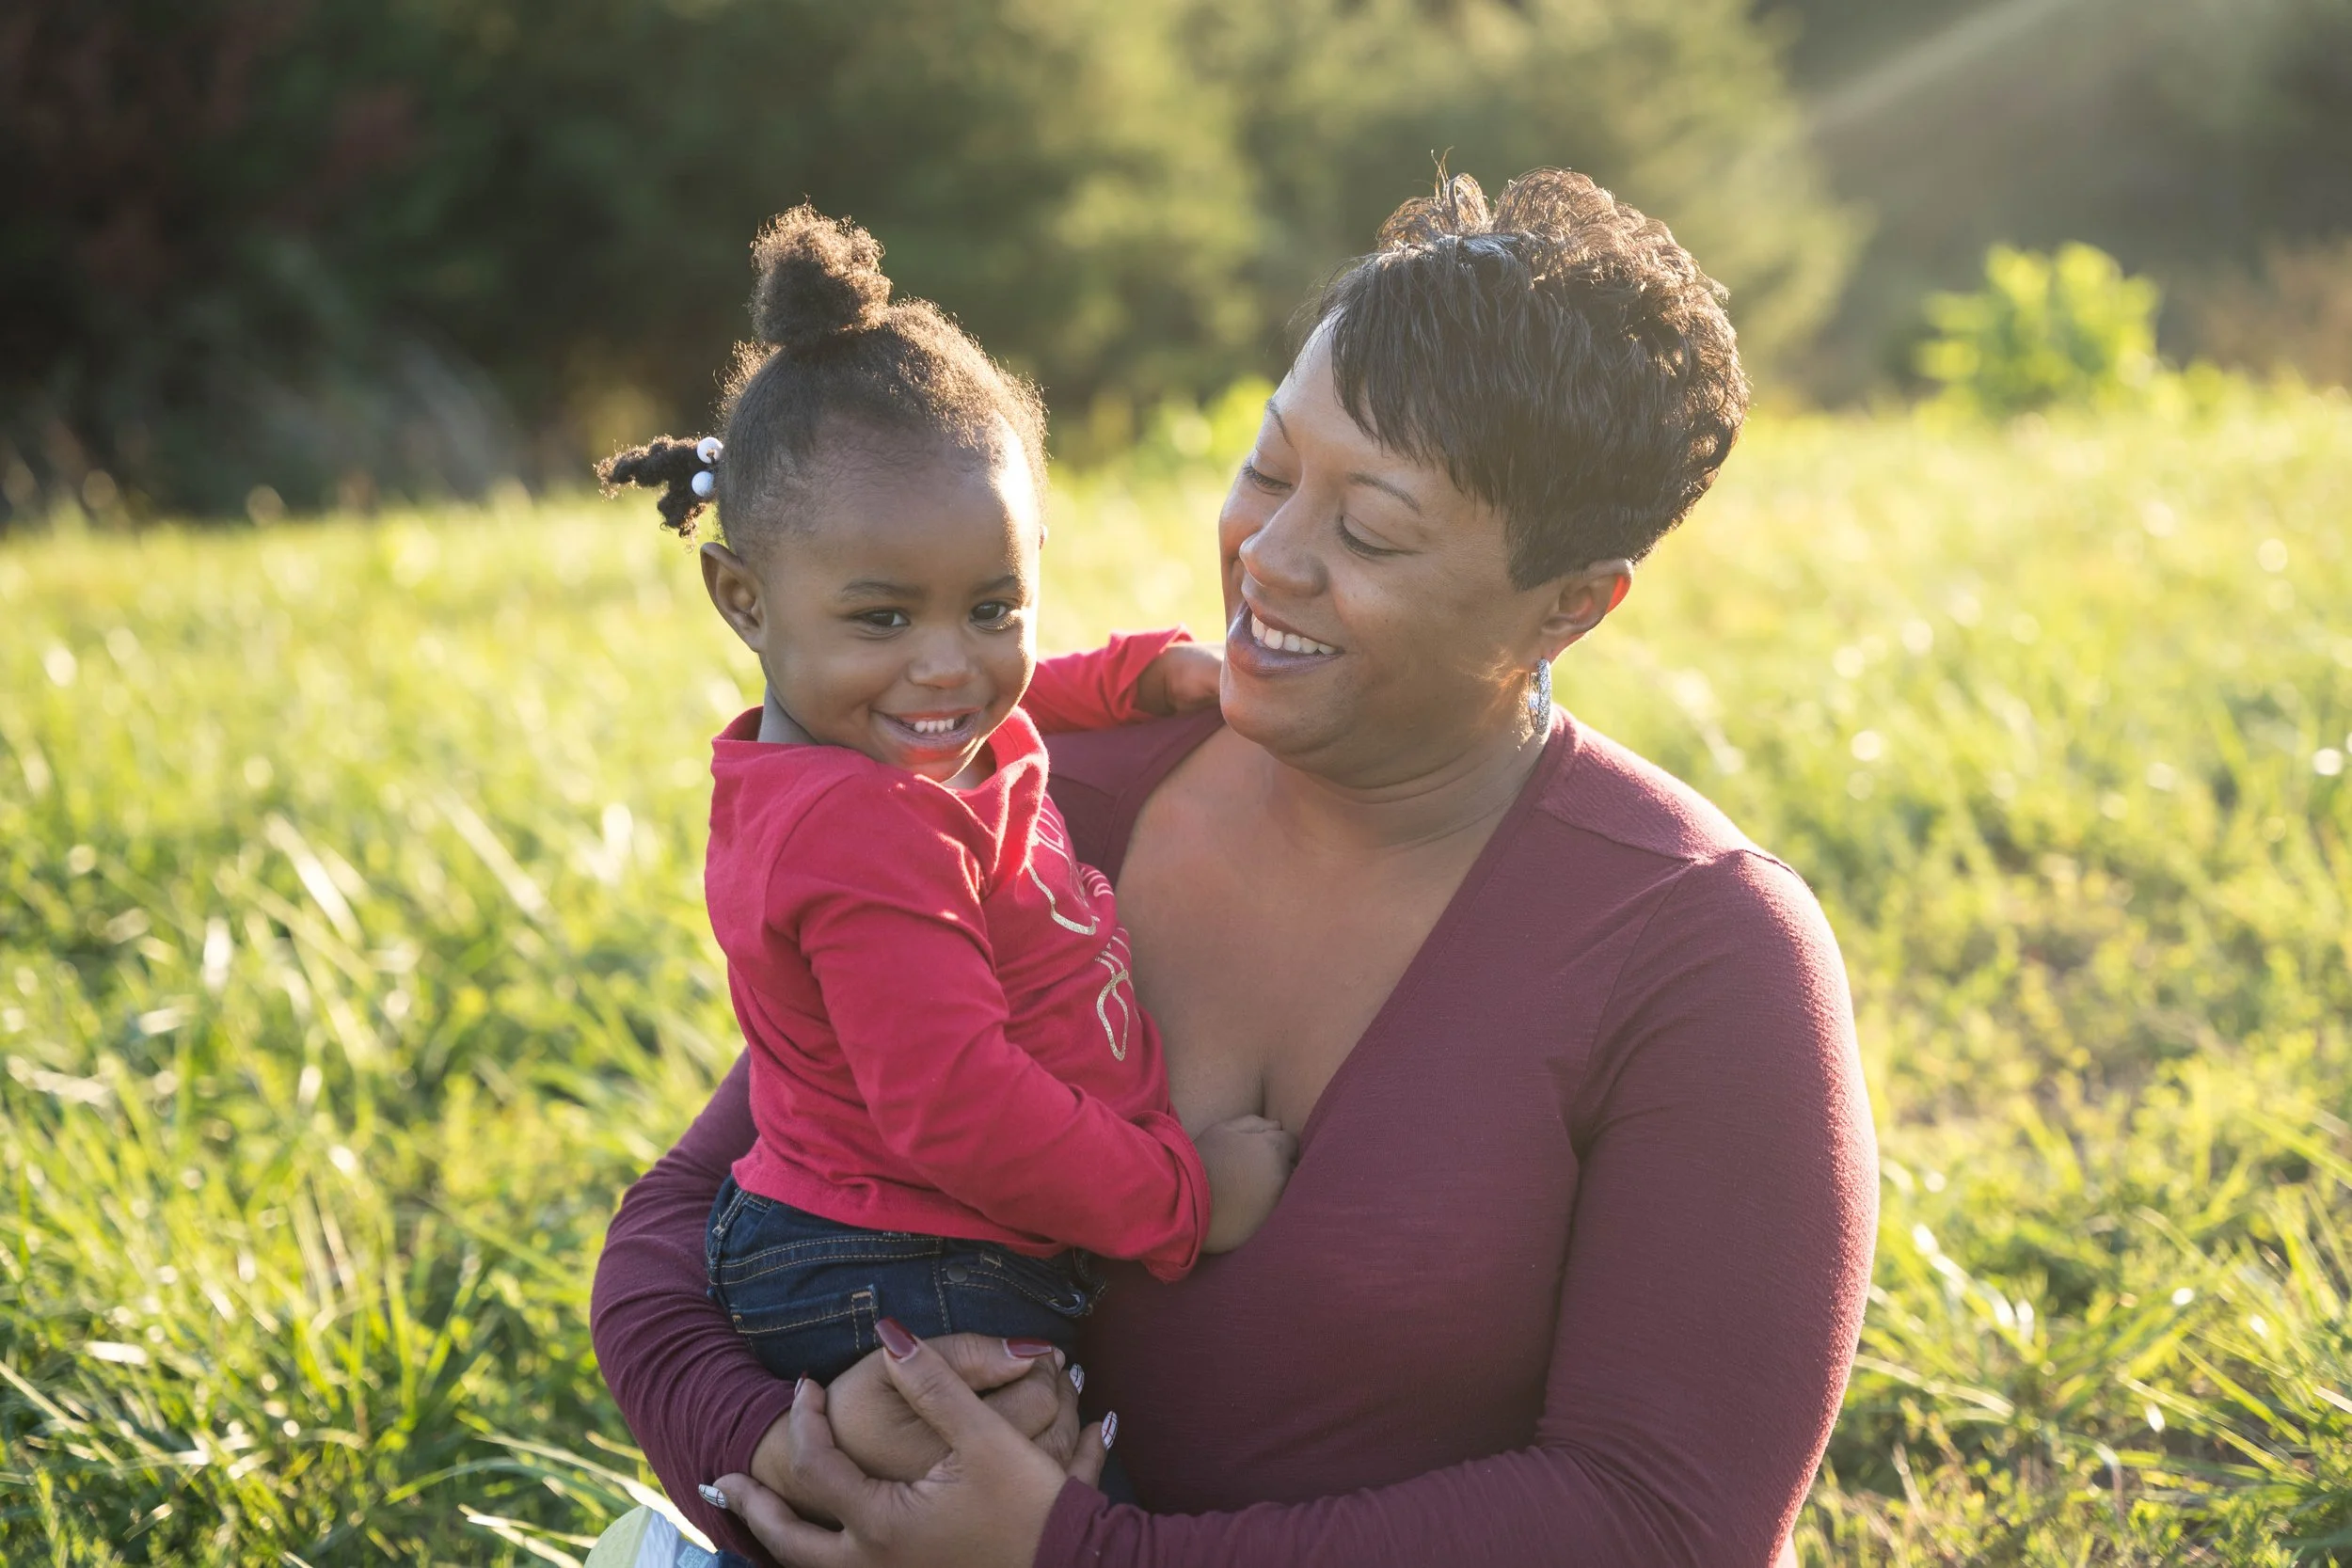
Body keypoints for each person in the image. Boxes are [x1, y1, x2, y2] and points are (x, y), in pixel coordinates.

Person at [592, 168, 1879, 1568]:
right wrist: (804, 1455)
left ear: (1572, 602)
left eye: (1369, 528)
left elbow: (1659, 1518)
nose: (1266, 556)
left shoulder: (1703, 950)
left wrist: (1068, 1549)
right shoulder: (1025, 796)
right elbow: (682, 1226)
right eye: (1269, 466)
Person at [594, 206, 1298, 1407]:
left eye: (994, 606)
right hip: (898, 1270)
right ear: (743, 599)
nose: (945, 668)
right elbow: (956, 1109)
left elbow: (1000, 706)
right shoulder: (862, 833)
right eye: (882, 617)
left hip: (904, 1240)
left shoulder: (876, 740)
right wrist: (1180, 1197)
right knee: (995, 1506)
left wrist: (1127, 673)